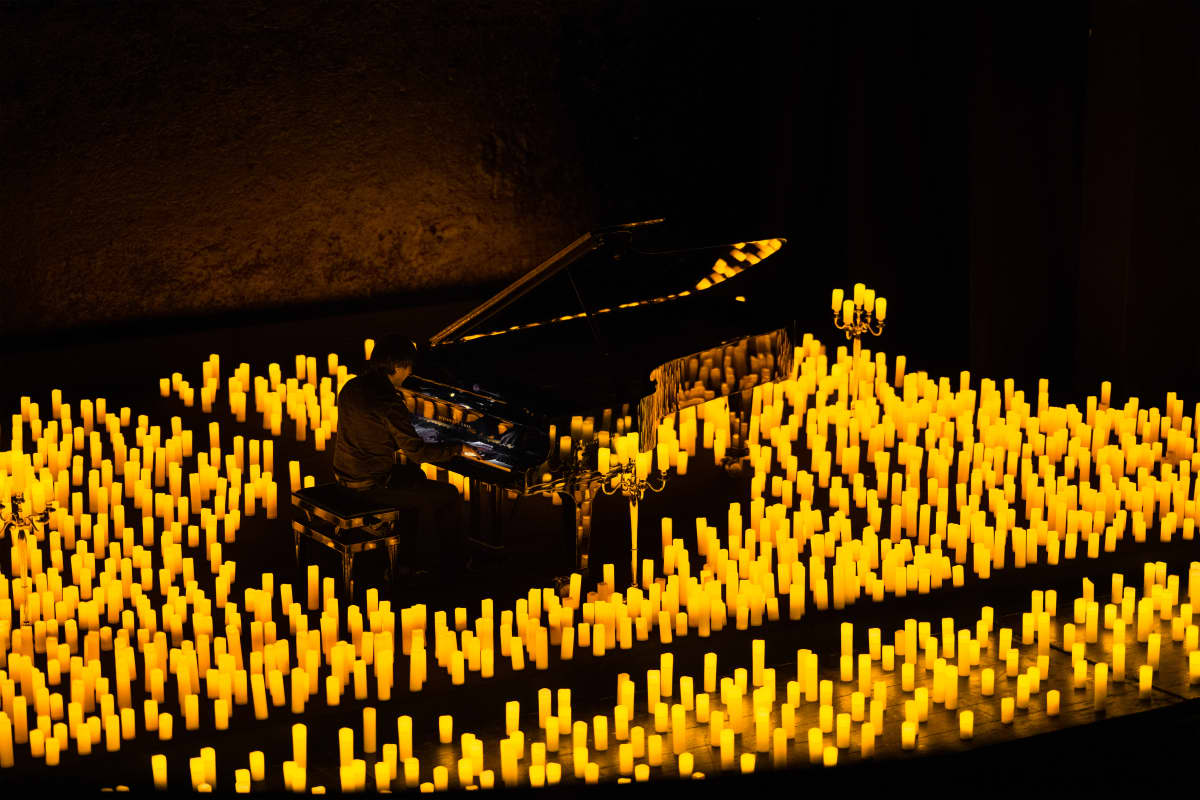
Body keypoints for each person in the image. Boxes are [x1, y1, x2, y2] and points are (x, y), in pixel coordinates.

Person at [332, 334, 481, 577]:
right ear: (400, 366)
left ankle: (405, 559)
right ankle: (456, 566)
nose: (409, 373)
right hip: (370, 487)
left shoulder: (352, 386)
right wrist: (458, 447)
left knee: (414, 475)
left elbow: (373, 432)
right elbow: (417, 451)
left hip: (346, 475)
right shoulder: (389, 401)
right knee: (449, 495)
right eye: (409, 367)